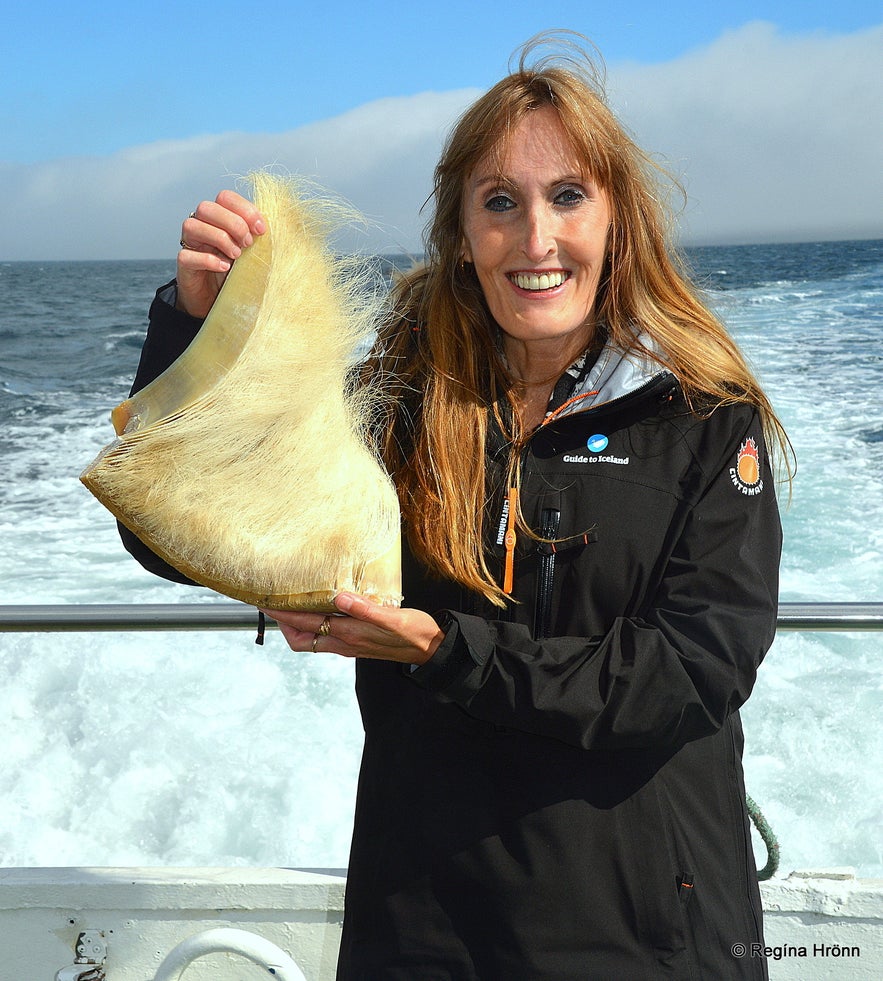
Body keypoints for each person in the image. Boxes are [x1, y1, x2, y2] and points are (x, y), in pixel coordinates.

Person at [120, 33, 789, 981]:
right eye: (499, 203)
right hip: (426, 927)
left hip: (648, 935)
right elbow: (178, 533)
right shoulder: (396, 405)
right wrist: (199, 331)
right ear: (462, 234)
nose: (535, 240)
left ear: (616, 220)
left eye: (566, 196)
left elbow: (688, 674)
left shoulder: (708, 423)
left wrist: (441, 648)